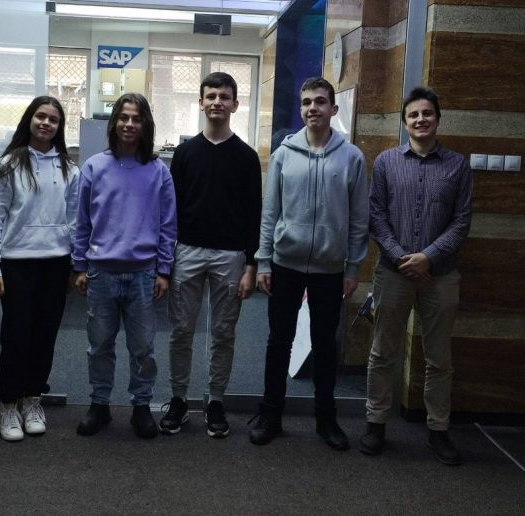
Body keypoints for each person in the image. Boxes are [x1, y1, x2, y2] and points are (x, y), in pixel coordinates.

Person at [250, 77, 368, 449]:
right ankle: (270, 415)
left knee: (325, 345)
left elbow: (359, 219)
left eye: (319, 101)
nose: (312, 108)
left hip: (330, 270)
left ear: (333, 108)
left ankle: (326, 420)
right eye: (306, 102)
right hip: (285, 264)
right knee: (278, 342)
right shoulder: (284, 154)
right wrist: (264, 262)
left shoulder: (352, 157)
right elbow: (269, 213)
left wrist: (353, 268)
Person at [360, 87, 472, 465]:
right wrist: (401, 257)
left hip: (441, 276)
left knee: (439, 359)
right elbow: (376, 215)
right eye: (413, 115)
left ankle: (438, 430)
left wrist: (428, 257)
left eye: (427, 113)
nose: (420, 119)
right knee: (382, 352)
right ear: (404, 122)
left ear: (438, 118)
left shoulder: (457, 166)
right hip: (393, 274)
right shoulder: (386, 162)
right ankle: (376, 423)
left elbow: (461, 222)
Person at [159, 72, 261, 439]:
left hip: (231, 256)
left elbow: (254, 214)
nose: (217, 101)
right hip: (187, 251)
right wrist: (166, 261)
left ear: (235, 104)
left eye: (224, 96)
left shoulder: (247, 157)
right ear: (201, 102)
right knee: (181, 330)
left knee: (222, 332)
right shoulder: (185, 153)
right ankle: (178, 399)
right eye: (211, 96)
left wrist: (251, 265)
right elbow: (170, 211)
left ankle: (216, 400)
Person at [72, 93, 177, 439]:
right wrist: (79, 266)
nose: (129, 124)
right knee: (99, 344)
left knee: (143, 347)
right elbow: (81, 222)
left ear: (145, 124)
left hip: (144, 274)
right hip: (101, 272)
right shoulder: (93, 167)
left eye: (136, 118)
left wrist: (164, 270)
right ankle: (99, 404)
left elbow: (168, 226)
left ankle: (141, 406)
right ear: (114, 122)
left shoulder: (158, 171)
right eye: (124, 118)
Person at [0, 96, 79, 441]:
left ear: (59, 127)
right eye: (41, 116)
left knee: (44, 335)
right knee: (16, 336)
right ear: (30, 120)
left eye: (53, 119)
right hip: (16, 264)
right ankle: (8, 403)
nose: (46, 123)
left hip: (56, 264)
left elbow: (76, 219)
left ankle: (32, 399)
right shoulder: (7, 165)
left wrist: (76, 264)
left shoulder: (69, 169)